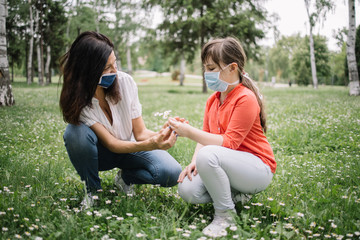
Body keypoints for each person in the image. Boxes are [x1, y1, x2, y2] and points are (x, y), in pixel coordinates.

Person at [59, 31, 182, 208]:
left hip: (131, 148)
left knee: (171, 172)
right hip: (102, 155)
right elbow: (112, 144)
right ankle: (93, 191)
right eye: (107, 68)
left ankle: (125, 178)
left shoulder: (126, 82)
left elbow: (140, 133)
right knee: (74, 132)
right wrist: (151, 145)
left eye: (114, 63)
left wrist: (162, 135)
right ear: (88, 71)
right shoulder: (79, 101)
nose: (115, 71)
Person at [168, 37, 276, 237]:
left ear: (232, 68)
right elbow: (205, 137)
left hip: (257, 169)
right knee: (188, 190)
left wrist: (188, 131)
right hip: (228, 165)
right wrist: (194, 162)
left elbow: (230, 143)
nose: (206, 74)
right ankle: (235, 195)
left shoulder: (246, 98)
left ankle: (225, 215)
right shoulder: (213, 100)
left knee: (208, 156)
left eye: (211, 68)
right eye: (205, 68)